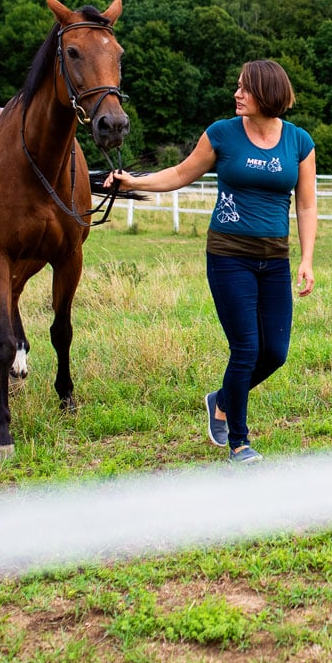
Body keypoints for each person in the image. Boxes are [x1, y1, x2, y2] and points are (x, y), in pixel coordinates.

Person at [106, 60, 317, 463]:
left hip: (275, 260)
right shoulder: (221, 134)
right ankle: (239, 440)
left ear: (268, 93)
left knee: (276, 352)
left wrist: (306, 259)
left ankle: (221, 399)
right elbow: (180, 173)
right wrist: (133, 181)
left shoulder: (299, 142)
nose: (237, 94)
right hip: (228, 257)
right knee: (246, 349)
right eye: (237, 87)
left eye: (246, 88)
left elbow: (306, 206)